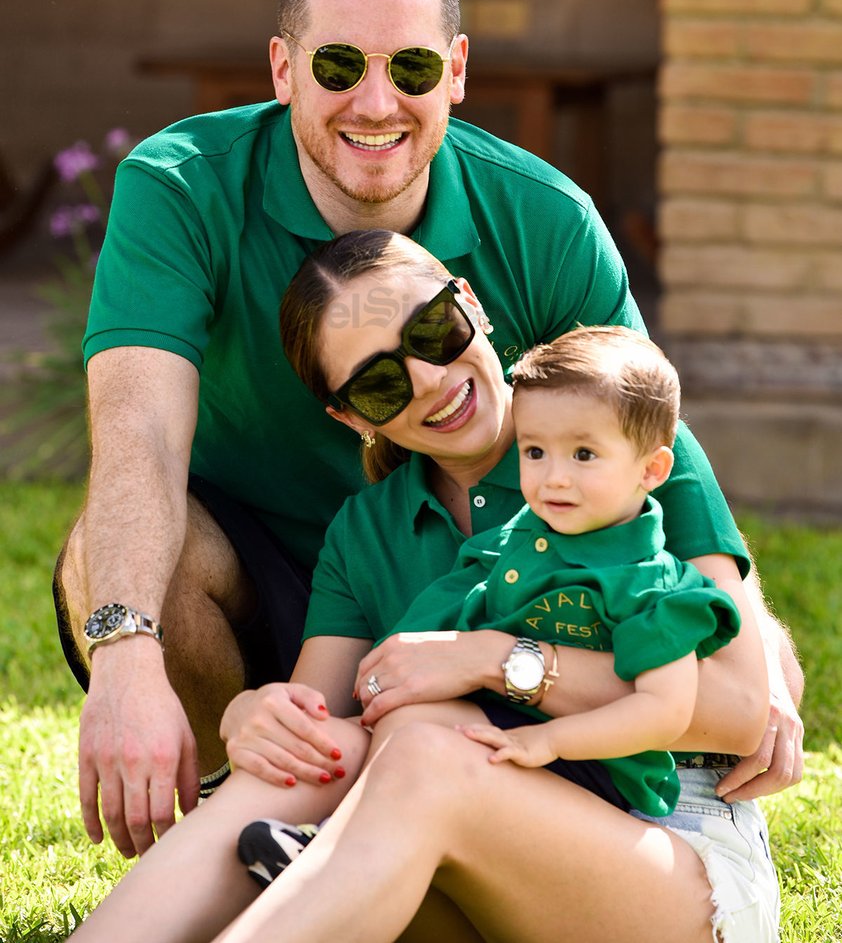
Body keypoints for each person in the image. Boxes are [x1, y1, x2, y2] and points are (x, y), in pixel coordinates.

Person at [53, 0, 803, 861]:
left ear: (454, 70)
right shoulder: (180, 185)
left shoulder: (544, 220)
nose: (375, 102)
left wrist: (744, 627)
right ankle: (225, 817)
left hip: (447, 602)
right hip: (257, 584)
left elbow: (650, 435)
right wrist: (123, 659)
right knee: (105, 557)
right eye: (337, 66)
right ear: (284, 69)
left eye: (409, 67)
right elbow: (139, 437)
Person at [68, 230, 781, 943]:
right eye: (380, 382)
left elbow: (740, 708)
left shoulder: (614, 443)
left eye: (434, 329)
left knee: (422, 743)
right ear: (351, 415)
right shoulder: (367, 528)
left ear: (469, 302)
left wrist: (491, 658)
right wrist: (257, 715)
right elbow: (322, 730)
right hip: (461, 830)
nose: (431, 379)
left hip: (669, 842)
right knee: (308, 758)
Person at [385, 325, 742, 818]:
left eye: (583, 454)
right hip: (502, 736)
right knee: (408, 723)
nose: (554, 476)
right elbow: (433, 630)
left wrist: (550, 740)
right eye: (535, 452)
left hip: (595, 773)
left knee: (423, 739)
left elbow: (664, 712)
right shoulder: (509, 547)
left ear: (652, 471)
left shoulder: (650, 584)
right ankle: (338, 840)